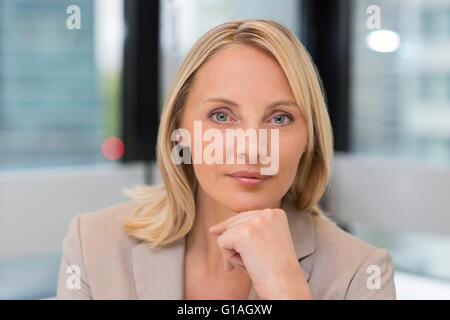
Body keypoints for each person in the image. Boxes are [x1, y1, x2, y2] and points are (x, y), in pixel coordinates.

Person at [56, 19, 396, 300]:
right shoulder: (92, 243)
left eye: (279, 118)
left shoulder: (362, 273)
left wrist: (287, 288)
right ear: (180, 130)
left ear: (309, 138)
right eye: (221, 116)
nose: (250, 149)